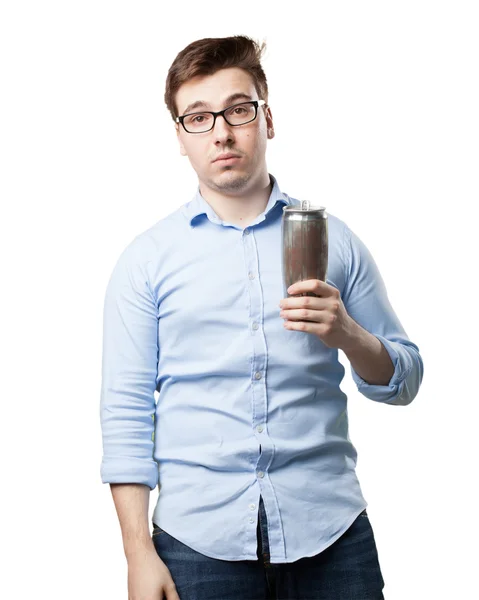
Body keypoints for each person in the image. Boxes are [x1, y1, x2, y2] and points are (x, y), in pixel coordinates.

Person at [99, 35, 424, 600]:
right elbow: (126, 414)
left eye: (238, 110)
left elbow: (405, 379)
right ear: (180, 136)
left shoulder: (335, 241)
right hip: (197, 547)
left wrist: (347, 333)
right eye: (198, 117)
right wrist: (137, 554)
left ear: (266, 119)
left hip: (333, 538)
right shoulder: (146, 261)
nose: (221, 131)